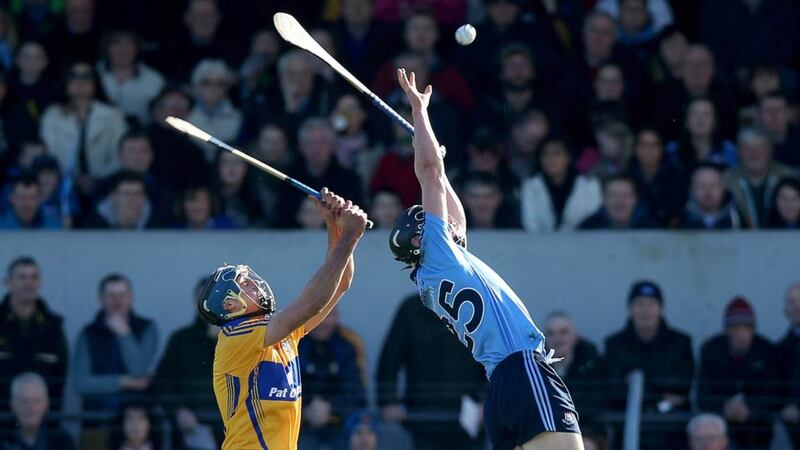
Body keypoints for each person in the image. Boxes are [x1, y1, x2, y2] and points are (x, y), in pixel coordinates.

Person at [388, 68, 583, 449]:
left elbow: (451, 208)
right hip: (524, 370)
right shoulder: (439, 255)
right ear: (420, 236)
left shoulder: (435, 269)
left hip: (501, 388)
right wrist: (420, 112)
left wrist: (441, 175)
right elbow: (428, 172)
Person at [198, 188, 368, 449]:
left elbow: (341, 282)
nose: (255, 284)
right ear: (231, 305)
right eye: (244, 284)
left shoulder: (282, 334)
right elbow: (313, 302)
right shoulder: (235, 336)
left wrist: (335, 226)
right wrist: (351, 238)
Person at [376, 294, 486, 450]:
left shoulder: (474, 308)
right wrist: (388, 402)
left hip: (468, 420)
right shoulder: (411, 308)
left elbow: (491, 358)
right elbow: (390, 359)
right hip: (420, 418)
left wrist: (486, 401)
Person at [603, 280, 694, 450]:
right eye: (639, 304)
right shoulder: (615, 345)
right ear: (630, 309)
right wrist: (660, 396)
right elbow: (614, 390)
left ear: (661, 308)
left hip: (671, 430)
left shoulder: (680, 343)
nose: (646, 311)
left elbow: (682, 387)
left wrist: (637, 387)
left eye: (652, 304)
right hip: (627, 426)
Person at [73, 274, 159, 421]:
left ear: (131, 297)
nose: (118, 301)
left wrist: (124, 334)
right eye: (111, 295)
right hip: (97, 420)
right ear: (101, 299)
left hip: (136, 424)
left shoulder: (147, 328)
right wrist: (124, 381)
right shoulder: (88, 334)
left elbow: (137, 370)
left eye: (122, 294)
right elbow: (81, 383)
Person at [698, 296, 779, 450]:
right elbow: (703, 395)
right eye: (735, 328)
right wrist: (724, 408)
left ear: (753, 330)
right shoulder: (711, 350)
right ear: (726, 330)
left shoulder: (766, 350)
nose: (741, 334)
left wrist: (750, 409)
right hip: (721, 432)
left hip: (758, 432)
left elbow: (773, 393)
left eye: (746, 328)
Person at [155, 278, 224, 449]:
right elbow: (161, 383)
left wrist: (223, 339)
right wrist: (178, 410)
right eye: (204, 297)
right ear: (195, 302)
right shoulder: (181, 339)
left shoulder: (242, 338)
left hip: (232, 428)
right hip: (191, 429)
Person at [0, 257, 68, 411]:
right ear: (8, 282)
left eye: (34, 277)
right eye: (22, 277)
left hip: (41, 421)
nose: (28, 283)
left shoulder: (52, 326)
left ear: (40, 283)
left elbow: (60, 375)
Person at [298, 309, 367, 450]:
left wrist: (331, 408)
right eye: (319, 316)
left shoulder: (347, 344)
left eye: (329, 316)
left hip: (340, 421)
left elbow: (355, 389)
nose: (324, 322)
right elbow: (284, 386)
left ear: (337, 317)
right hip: (302, 422)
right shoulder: (294, 344)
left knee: (364, 433)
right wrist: (306, 409)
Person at [521, 136, 602, 232]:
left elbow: (593, 218)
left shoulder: (589, 184)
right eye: (545, 154)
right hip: (541, 243)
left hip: (583, 242)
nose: (550, 159)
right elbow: (530, 223)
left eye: (557, 153)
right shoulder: (531, 185)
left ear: (568, 157)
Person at [723, 127, 796, 228]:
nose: (754, 153)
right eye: (748, 148)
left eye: (761, 147)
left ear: (770, 150)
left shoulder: (788, 177)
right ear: (738, 151)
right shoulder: (725, 181)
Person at [543, 312, 604, 433]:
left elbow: (597, 406)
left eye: (563, 332)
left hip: (586, 430)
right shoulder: (536, 368)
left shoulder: (593, 368)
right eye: (551, 333)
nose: (557, 338)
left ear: (575, 336)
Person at [96, 30, 165, 125]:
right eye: (116, 43)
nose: (123, 49)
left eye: (129, 43)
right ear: (107, 48)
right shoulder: (93, 75)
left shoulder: (154, 80)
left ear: (137, 48)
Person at [1, 372, 75, 450]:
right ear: (13, 405)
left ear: (46, 404)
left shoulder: (62, 442)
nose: (31, 408)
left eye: (37, 401)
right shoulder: (2, 440)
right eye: (24, 401)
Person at [187, 59, 242, 163]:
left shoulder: (239, 118)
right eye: (206, 83)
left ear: (226, 88)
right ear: (195, 86)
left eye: (220, 83)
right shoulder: (185, 116)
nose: (213, 87)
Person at [675, 164, 742, 230]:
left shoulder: (739, 221)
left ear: (723, 188)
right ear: (691, 189)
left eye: (714, 185)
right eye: (702, 186)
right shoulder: (677, 223)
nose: (708, 190)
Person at [578, 175, 656, 229]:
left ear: (634, 199)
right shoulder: (588, 228)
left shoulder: (651, 228)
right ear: (604, 199)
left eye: (625, 195)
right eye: (613, 195)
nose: (619, 201)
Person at [777, 283, 800, 449]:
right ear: (786, 311)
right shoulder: (781, 348)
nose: (798, 306)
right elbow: (778, 387)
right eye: (792, 302)